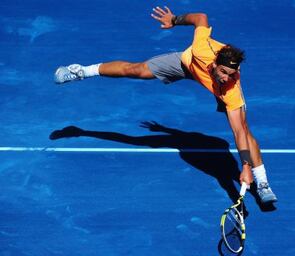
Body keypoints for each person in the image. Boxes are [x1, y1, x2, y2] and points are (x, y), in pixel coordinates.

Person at [54, 6, 277, 203]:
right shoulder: (201, 50)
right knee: (136, 70)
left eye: (232, 73)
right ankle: (81, 71)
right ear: (214, 64)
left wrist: (245, 166)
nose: (228, 77)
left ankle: (262, 182)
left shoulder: (230, 88)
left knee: (245, 129)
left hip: (214, 88)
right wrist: (175, 20)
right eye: (224, 72)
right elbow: (200, 17)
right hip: (187, 64)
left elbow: (238, 132)